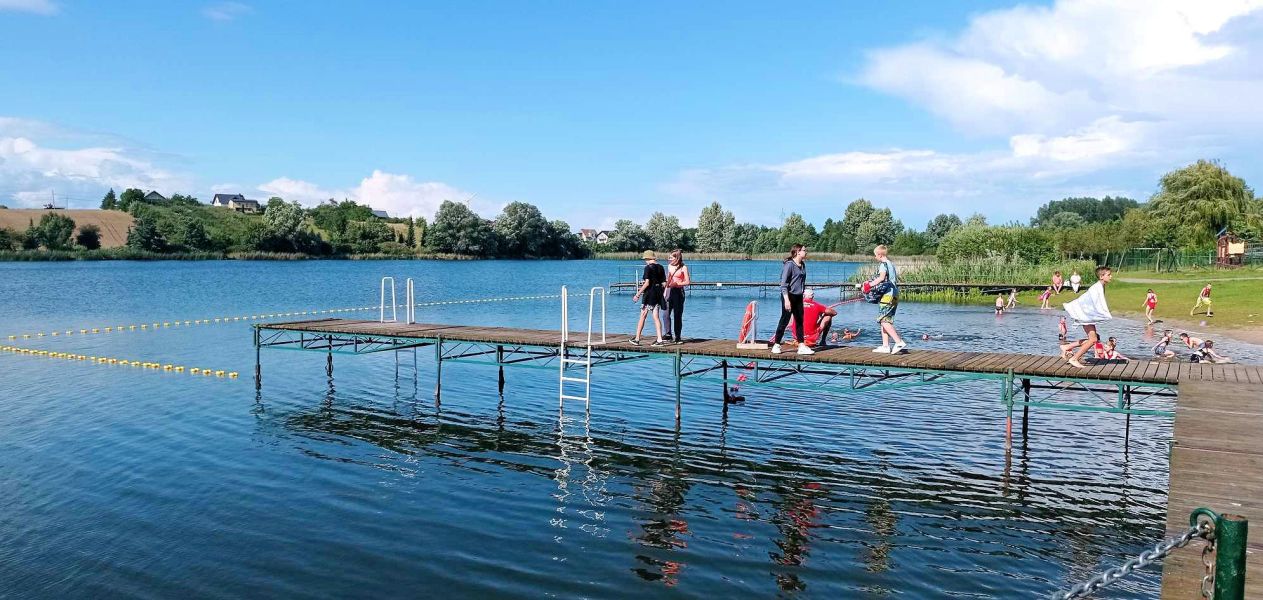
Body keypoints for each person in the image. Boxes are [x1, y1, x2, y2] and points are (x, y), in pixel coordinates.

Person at [1060, 266, 1113, 368]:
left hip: (1086, 314)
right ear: (1102, 276)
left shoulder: (1100, 286)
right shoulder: (1097, 288)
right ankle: (1074, 358)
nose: (1111, 276)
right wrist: (1103, 314)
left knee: (1093, 339)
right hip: (1084, 314)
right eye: (1108, 275)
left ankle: (1067, 346)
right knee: (1093, 340)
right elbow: (1091, 302)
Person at [771, 244, 812, 355]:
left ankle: (801, 345)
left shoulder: (802, 265)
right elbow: (783, 284)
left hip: (798, 296)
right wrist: (786, 300)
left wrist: (802, 293)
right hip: (788, 296)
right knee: (784, 320)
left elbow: (801, 282)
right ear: (798, 252)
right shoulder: (789, 265)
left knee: (799, 321)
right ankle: (776, 344)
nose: (806, 252)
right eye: (804, 250)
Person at [868, 244, 906, 354]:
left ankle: (898, 342)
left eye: (875, 255)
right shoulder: (891, 264)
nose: (875, 257)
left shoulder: (883, 265)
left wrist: (869, 285)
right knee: (886, 320)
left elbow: (881, 278)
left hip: (887, 296)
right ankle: (885, 346)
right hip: (894, 295)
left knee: (882, 319)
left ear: (880, 255)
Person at [630, 250, 667, 346]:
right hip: (658, 293)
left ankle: (637, 339)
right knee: (656, 316)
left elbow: (647, 283)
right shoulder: (661, 267)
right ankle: (659, 339)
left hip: (649, 294)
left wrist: (637, 294)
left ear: (647, 258)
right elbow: (664, 283)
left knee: (643, 315)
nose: (645, 261)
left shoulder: (648, 268)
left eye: (645, 259)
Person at [662, 249, 691, 344]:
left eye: (671, 257)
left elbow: (687, 282)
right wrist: (665, 289)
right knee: (666, 313)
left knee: (677, 315)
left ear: (677, 258)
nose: (669, 259)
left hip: (678, 291)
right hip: (669, 290)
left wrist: (678, 283)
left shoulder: (684, 267)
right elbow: (668, 278)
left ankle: (677, 336)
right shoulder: (669, 266)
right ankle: (668, 334)